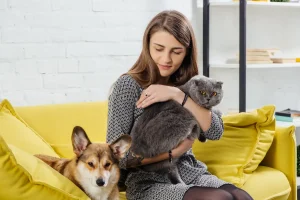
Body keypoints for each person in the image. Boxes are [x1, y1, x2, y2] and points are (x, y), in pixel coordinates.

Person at [106, 10, 253, 200]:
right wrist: (173, 153)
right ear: (147, 45)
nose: (166, 59)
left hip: (191, 171)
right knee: (220, 198)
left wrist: (177, 94)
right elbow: (116, 156)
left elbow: (215, 132)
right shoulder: (128, 86)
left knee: (242, 197)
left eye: (176, 52)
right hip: (148, 181)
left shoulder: (191, 85)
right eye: (159, 48)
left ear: (187, 52)